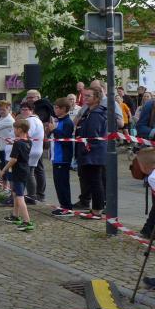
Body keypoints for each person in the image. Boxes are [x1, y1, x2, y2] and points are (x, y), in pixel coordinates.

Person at [73, 86, 107, 219]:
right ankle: (96, 208)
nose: (85, 98)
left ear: (97, 98)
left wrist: (85, 149)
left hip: (93, 154)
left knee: (95, 181)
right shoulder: (89, 111)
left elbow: (93, 135)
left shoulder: (96, 114)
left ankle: (97, 210)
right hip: (90, 152)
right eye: (84, 95)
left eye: (88, 96)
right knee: (92, 181)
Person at [0, 119, 34, 231]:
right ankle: (15, 216)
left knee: (20, 196)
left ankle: (27, 221)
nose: (13, 131)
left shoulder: (17, 143)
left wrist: (4, 170)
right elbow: (21, 147)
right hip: (25, 171)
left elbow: (13, 159)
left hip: (18, 172)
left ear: (19, 130)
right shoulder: (28, 142)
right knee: (15, 193)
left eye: (14, 129)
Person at [48, 98, 75, 216]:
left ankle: (67, 207)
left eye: (57, 108)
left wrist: (54, 130)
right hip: (56, 157)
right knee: (58, 183)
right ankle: (63, 205)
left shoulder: (67, 122)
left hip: (63, 157)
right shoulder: (58, 121)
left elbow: (65, 138)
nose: (55, 110)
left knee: (62, 183)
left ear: (64, 109)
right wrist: (50, 130)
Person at [18, 102, 44, 204]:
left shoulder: (30, 120)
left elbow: (28, 134)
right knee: (30, 173)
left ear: (32, 110)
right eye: (22, 109)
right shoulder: (36, 119)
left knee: (29, 174)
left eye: (26, 109)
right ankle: (31, 195)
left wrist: (16, 137)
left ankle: (32, 196)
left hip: (31, 150)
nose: (24, 111)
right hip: (35, 149)